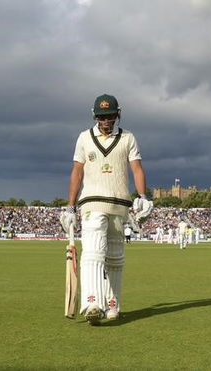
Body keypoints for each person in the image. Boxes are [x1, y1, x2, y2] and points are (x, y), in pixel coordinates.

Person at [59, 94, 153, 325]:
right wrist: (70, 207)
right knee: (93, 251)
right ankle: (92, 303)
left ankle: (113, 305)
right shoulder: (84, 138)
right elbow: (77, 172)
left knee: (115, 257)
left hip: (120, 204)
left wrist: (143, 196)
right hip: (92, 201)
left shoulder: (128, 138)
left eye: (110, 116)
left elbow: (137, 169)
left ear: (117, 115)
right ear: (95, 116)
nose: (106, 121)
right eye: (102, 117)